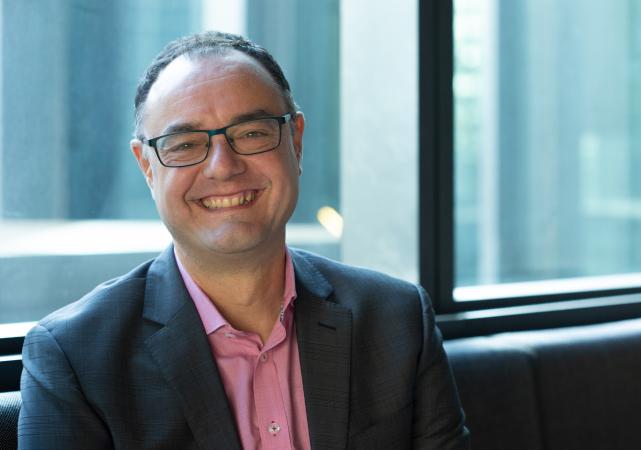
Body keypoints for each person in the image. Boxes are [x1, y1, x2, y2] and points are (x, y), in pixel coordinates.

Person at [18, 31, 470, 449]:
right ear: (147, 167)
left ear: (296, 140)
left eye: (252, 133)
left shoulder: (397, 318)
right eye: (185, 144)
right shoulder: (75, 357)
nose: (223, 166)